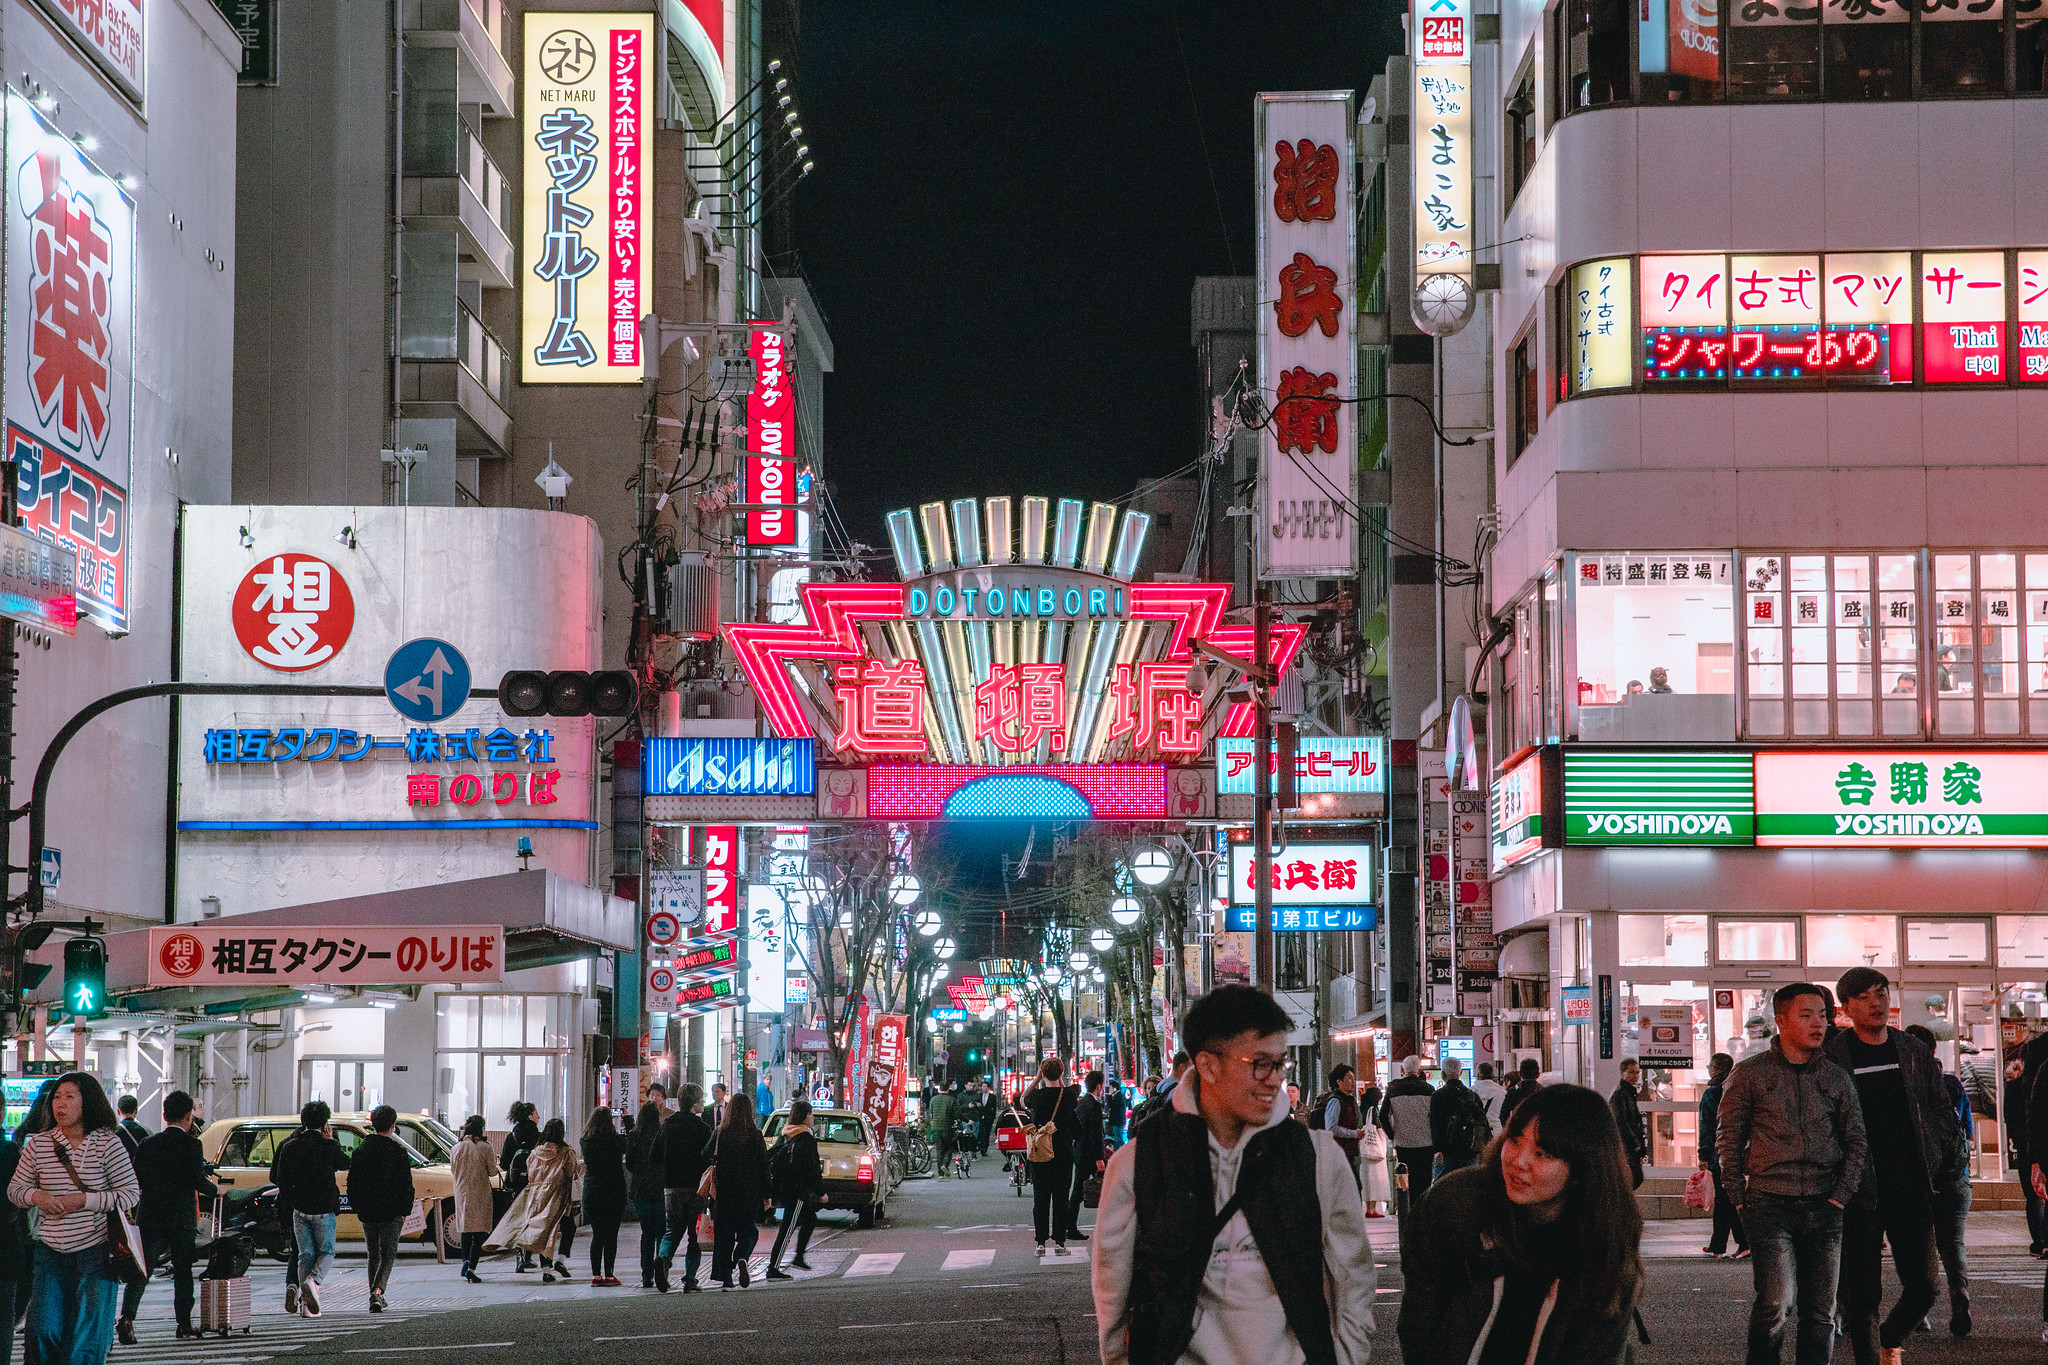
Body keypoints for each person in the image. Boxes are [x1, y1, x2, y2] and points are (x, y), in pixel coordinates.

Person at [1093, 985, 1376, 1365]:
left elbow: (1353, 1274)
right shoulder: (1139, 1161)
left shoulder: (1316, 1156)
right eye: (1260, 1064)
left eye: (1281, 1064)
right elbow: (1112, 1279)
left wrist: (1347, 1357)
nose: (1275, 1080)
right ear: (1208, 1065)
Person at [1400, 1083, 1643, 1365]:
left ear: (1582, 1168)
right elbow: (1419, 1323)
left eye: (1542, 1153)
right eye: (1514, 1139)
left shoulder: (1604, 1241)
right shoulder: (1456, 1206)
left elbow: (1600, 1351)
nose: (1519, 1162)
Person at [1719, 982, 1869, 1365]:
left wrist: (1841, 1194)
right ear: (1781, 1020)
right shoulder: (1749, 1074)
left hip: (1826, 1204)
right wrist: (1738, 1195)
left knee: (1821, 1313)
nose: (1819, 1024)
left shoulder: (1835, 1077)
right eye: (1807, 1015)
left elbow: (1856, 1140)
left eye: (1823, 1015)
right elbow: (1728, 1139)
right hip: (1769, 1204)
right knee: (1776, 1303)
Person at [1826, 968, 1963, 1360]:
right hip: (1858, 1186)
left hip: (1910, 1182)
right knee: (1863, 1292)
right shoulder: (1834, 1056)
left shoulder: (1912, 1049)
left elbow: (1939, 1108)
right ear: (1847, 1006)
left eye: (1882, 993)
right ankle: (1871, 1357)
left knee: (1925, 1285)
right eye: (1865, 996)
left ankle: (1891, 1337)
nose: (1876, 1003)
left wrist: (1937, 1155)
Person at [10, 1071, 140, 1365]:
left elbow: (130, 1193)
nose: (61, 1104)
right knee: (42, 1330)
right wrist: (37, 1197)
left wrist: (84, 1199)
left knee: (86, 1337)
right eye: (57, 1097)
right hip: (49, 1252)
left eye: (70, 1097)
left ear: (87, 1103)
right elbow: (15, 1189)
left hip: (96, 1252)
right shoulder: (39, 1144)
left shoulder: (108, 1144)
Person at [115, 1091, 216, 1344]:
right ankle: (183, 1324)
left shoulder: (149, 1143)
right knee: (183, 1271)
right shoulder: (193, 1145)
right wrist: (215, 1190)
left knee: (143, 1269)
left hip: (150, 1214)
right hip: (180, 1217)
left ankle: (127, 1318)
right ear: (188, 1116)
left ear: (164, 1115)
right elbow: (196, 1179)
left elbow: (136, 1176)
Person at [1904, 1023, 1972, 1334]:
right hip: (1955, 1176)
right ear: (1934, 1050)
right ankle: (1959, 1296)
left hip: (1917, 1178)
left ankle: (1920, 1312)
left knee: (1921, 1246)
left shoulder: (1903, 1086)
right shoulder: (1952, 1084)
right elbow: (1966, 1131)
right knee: (1953, 1242)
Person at [271, 1100, 350, 1318]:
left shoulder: (289, 1146)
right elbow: (345, 1163)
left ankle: (307, 1307)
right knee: (326, 1252)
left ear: (302, 1120)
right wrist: (332, 1139)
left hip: (300, 1209)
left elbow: (281, 1180)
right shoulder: (328, 1145)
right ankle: (313, 1283)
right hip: (323, 1208)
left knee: (304, 1255)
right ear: (325, 1122)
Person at [489, 1118, 581, 1284]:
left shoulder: (536, 1152)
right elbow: (571, 1173)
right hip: (558, 1196)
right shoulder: (566, 1153)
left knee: (544, 1232)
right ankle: (560, 1260)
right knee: (569, 1227)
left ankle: (546, 1270)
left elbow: (530, 1172)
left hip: (537, 1196)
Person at [343, 1105, 415, 1313]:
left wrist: (357, 1206)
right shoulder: (398, 1152)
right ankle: (378, 1291)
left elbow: (352, 1183)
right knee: (388, 1253)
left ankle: (374, 1294)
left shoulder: (360, 1151)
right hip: (392, 1211)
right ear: (393, 1126)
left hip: (368, 1211)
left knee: (372, 1253)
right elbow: (406, 1184)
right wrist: (405, 1209)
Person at [704, 1094, 770, 1289]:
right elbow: (764, 1167)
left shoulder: (720, 1133)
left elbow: (705, 1155)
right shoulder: (755, 1135)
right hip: (749, 1194)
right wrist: (767, 1195)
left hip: (724, 1194)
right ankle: (741, 1257)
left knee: (724, 1237)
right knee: (749, 1232)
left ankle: (726, 1279)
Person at [656, 1083, 714, 1292]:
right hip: (696, 1188)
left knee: (672, 1230)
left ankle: (663, 1259)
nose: (704, 1104)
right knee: (694, 1236)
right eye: (702, 1100)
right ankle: (690, 1279)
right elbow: (709, 1158)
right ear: (695, 1102)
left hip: (671, 1187)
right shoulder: (702, 1128)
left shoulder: (668, 1125)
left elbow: (654, 1155)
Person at [1023, 1056, 1080, 1255]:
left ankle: (1040, 1243)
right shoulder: (1069, 1096)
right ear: (1061, 1073)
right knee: (1061, 1197)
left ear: (1043, 1074)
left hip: (1040, 1152)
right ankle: (1060, 1242)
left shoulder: (1036, 1097)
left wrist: (1038, 1078)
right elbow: (1069, 1099)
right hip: (1063, 1152)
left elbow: (1023, 1098)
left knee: (1040, 1198)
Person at [764, 1099, 825, 1278]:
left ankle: (798, 1257)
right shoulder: (806, 1139)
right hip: (797, 1190)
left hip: (785, 1186)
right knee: (788, 1227)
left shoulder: (785, 1135)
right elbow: (812, 1169)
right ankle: (773, 1268)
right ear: (804, 1116)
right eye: (811, 1113)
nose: (813, 1117)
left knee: (810, 1218)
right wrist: (821, 1191)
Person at [1699, 1052, 1750, 1258]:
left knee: (1727, 1199)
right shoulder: (1737, 1089)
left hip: (1717, 1152)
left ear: (1715, 1068)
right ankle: (1718, 1244)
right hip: (1736, 1150)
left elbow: (1707, 1127)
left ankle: (1744, 1241)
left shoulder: (1711, 1093)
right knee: (1724, 1198)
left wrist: (1704, 1153)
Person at [1379, 1055, 1437, 1199]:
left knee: (1403, 1176)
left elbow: (1382, 1116)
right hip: (1426, 1142)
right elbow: (1435, 1116)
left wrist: (1392, 1135)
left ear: (1402, 1070)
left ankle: (1404, 1206)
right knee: (1424, 1180)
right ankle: (1421, 1208)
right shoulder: (1429, 1089)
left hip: (1403, 1142)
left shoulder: (1393, 1089)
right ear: (1420, 1070)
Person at [581, 1107, 627, 1286]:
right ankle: (609, 1274)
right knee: (611, 1235)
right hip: (613, 1191)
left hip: (592, 1192)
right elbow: (629, 1142)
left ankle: (595, 1275)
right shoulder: (615, 1141)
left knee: (597, 1235)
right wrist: (627, 1120)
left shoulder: (585, 1141)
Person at [624, 1100, 667, 1288]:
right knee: (661, 1232)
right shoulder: (662, 1132)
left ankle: (646, 1275)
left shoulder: (634, 1135)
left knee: (646, 1232)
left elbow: (630, 1165)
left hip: (641, 1188)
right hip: (660, 1188)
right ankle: (662, 1269)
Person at [449, 1115, 495, 1284]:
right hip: (479, 1192)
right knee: (479, 1232)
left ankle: (465, 1262)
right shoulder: (485, 1147)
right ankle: (472, 1269)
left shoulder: (456, 1147)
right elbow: (492, 1171)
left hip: (461, 1193)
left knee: (465, 1229)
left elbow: (453, 1170)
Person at [1429, 1058, 1493, 1179]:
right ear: (1461, 1073)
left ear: (1443, 1074)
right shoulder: (1472, 1095)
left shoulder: (1438, 1096)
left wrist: (1438, 1149)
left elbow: (1435, 1124)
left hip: (1447, 1152)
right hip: (1470, 1150)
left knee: (1443, 1189)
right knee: (1468, 1188)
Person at [1068, 1069, 1106, 1242]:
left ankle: (1070, 1227)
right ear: (1099, 1086)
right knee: (1107, 1190)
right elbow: (1096, 1133)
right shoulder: (1094, 1105)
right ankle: (1110, 1227)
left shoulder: (1082, 1103)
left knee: (1077, 1191)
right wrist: (1100, 1158)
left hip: (1080, 1151)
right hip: (1092, 1154)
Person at [1316, 1064, 1364, 1186]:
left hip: (1349, 1152)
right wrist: (1354, 1134)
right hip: (1337, 1153)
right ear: (1339, 1081)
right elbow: (1331, 1128)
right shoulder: (1336, 1101)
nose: (1353, 1081)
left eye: (1353, 1078)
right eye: (1349, 1078)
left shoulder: (1350, 1100)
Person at [1609, 1058, 1648, 1189]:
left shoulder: (1629, 1093)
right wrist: (1634, 1143)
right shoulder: (1621, 1094)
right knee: (1632, 1178)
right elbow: (1621, 1122)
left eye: (1637, 1072)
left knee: (1633, 1179)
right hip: (1627, 1146)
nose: (1635, 1076)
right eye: (1631, 1072)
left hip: (1630, 1146)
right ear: (1622, 1073)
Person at [1501, 1058, 1543, 1123]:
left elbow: (1503, 1115)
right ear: (1538, 1074)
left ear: (1519, 1074)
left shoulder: (1513, 1092)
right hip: (1537, 1129)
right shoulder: (1543, 1091)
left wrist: (1509, 1130)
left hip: (1518, 1129)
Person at [1471, 1062, 1508, 1132]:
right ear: (1493, 1075)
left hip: (1477, 1134)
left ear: (1478, 1075)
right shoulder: (1502, 1092)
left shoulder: (1470, 1092)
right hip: (1496, 1132)